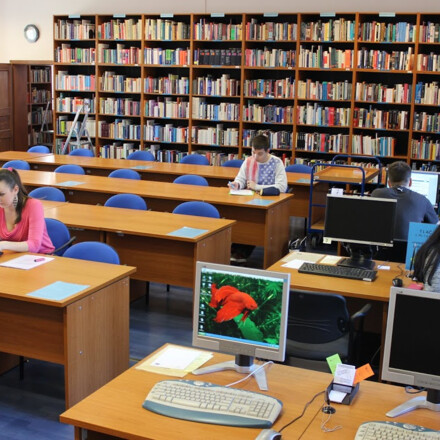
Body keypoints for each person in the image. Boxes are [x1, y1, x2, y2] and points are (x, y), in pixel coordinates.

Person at [229, 134, 288, 262]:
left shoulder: (277, 163)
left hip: (270, 203)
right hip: (250, 200)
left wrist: (257, 187)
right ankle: (237, 247)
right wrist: (237, 184)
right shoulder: (248, 161)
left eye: (260, 154)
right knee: (240, 217)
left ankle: (242, 250)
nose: (255, 157)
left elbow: (282, 187)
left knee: (254, 220)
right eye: (253, 152)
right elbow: (241, 179)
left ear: (268, 151)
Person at [371, 161, 438, 241]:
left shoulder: (376, 194)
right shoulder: (423, 200)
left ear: (389, 183)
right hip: (409, 248)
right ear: (410, 182)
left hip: (381, 247)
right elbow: (436, 227)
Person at [0, 168, 54, 254]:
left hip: (41, 256)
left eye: (2, 194)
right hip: (13, 256)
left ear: (15, 190)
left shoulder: (34, 206)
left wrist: (4, 245)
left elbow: (34, 246)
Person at [413, 225, 440, 291]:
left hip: (428, 293)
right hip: (433, 295)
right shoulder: (435, 255)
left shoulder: (431, 249)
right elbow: (435, 289)